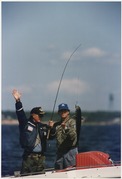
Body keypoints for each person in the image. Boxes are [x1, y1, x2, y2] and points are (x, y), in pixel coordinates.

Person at [12, 89, 49, 174]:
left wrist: (51, 128)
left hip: (41, 158)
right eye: (39, 115)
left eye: (42, 115)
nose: (41, 117)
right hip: (29, 157)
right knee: (26, 176)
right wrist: (18, 101)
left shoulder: (42, 126)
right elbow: (20, 113)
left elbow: (51, 136)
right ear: (33, 115)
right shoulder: (25, 123)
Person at [49, 103, 79, 170]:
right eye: (61, 111)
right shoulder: (56, 124)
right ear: (58, 113)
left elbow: (73, 136)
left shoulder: (72, 122)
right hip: (60, 152)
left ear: (68, 112)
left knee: (71, 172)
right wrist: (51, 128)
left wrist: (66, 128)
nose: (63, 113)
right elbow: (51, 137)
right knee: (58, 171)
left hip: (70, 151)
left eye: (65, 111)